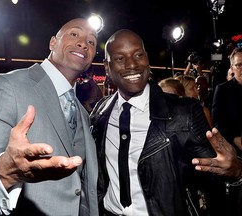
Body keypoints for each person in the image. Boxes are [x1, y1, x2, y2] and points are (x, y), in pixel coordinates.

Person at [0, 18, 99, 216]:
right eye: (74, 34)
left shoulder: (82, 112)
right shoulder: (4, 85)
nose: (84, 43)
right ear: (53, 43)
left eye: (91, 41)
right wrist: (5, 171)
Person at [90, 29, 230, 216]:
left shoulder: (185, 111)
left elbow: (214, 175)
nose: (132, 64)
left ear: (147, 58)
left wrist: (236, 172)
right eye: (120, 59)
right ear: (107, 67)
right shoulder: (100, 111)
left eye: (138, 55)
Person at [212, 47, 242, 154]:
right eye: (239, 65)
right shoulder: (222, 90)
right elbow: (217, 121)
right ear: (232, 68)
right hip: (235, 151)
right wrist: (234, 138)